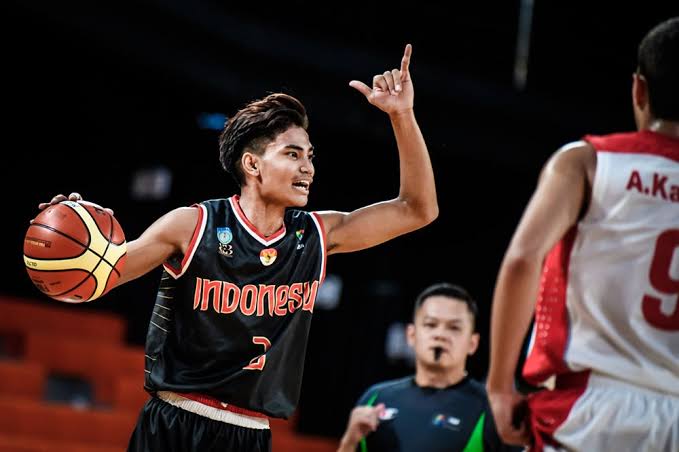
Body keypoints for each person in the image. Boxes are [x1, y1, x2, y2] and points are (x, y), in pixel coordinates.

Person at [38, 44, 438, 451]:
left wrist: (402, 116)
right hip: (176, 421)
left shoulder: (317, 234)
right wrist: (74, 243)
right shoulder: (193, 224)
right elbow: (103, 274)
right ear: (252, 164)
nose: (308, 167)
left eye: (310, 156)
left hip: (251, 433)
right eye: (292, 154)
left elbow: (418, 209)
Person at [486, 17, 679, 451]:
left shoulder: (587, 162)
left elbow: (522, 260)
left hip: (591, 409)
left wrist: (499, 385)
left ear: (639, 90)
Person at [338, 283, 519, 452]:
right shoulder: (375, 398)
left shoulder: (493, 409)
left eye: (454, 328)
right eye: (430, 325)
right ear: (411, 335)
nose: (440, 334)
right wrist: (349, 441)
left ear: (473, 343)